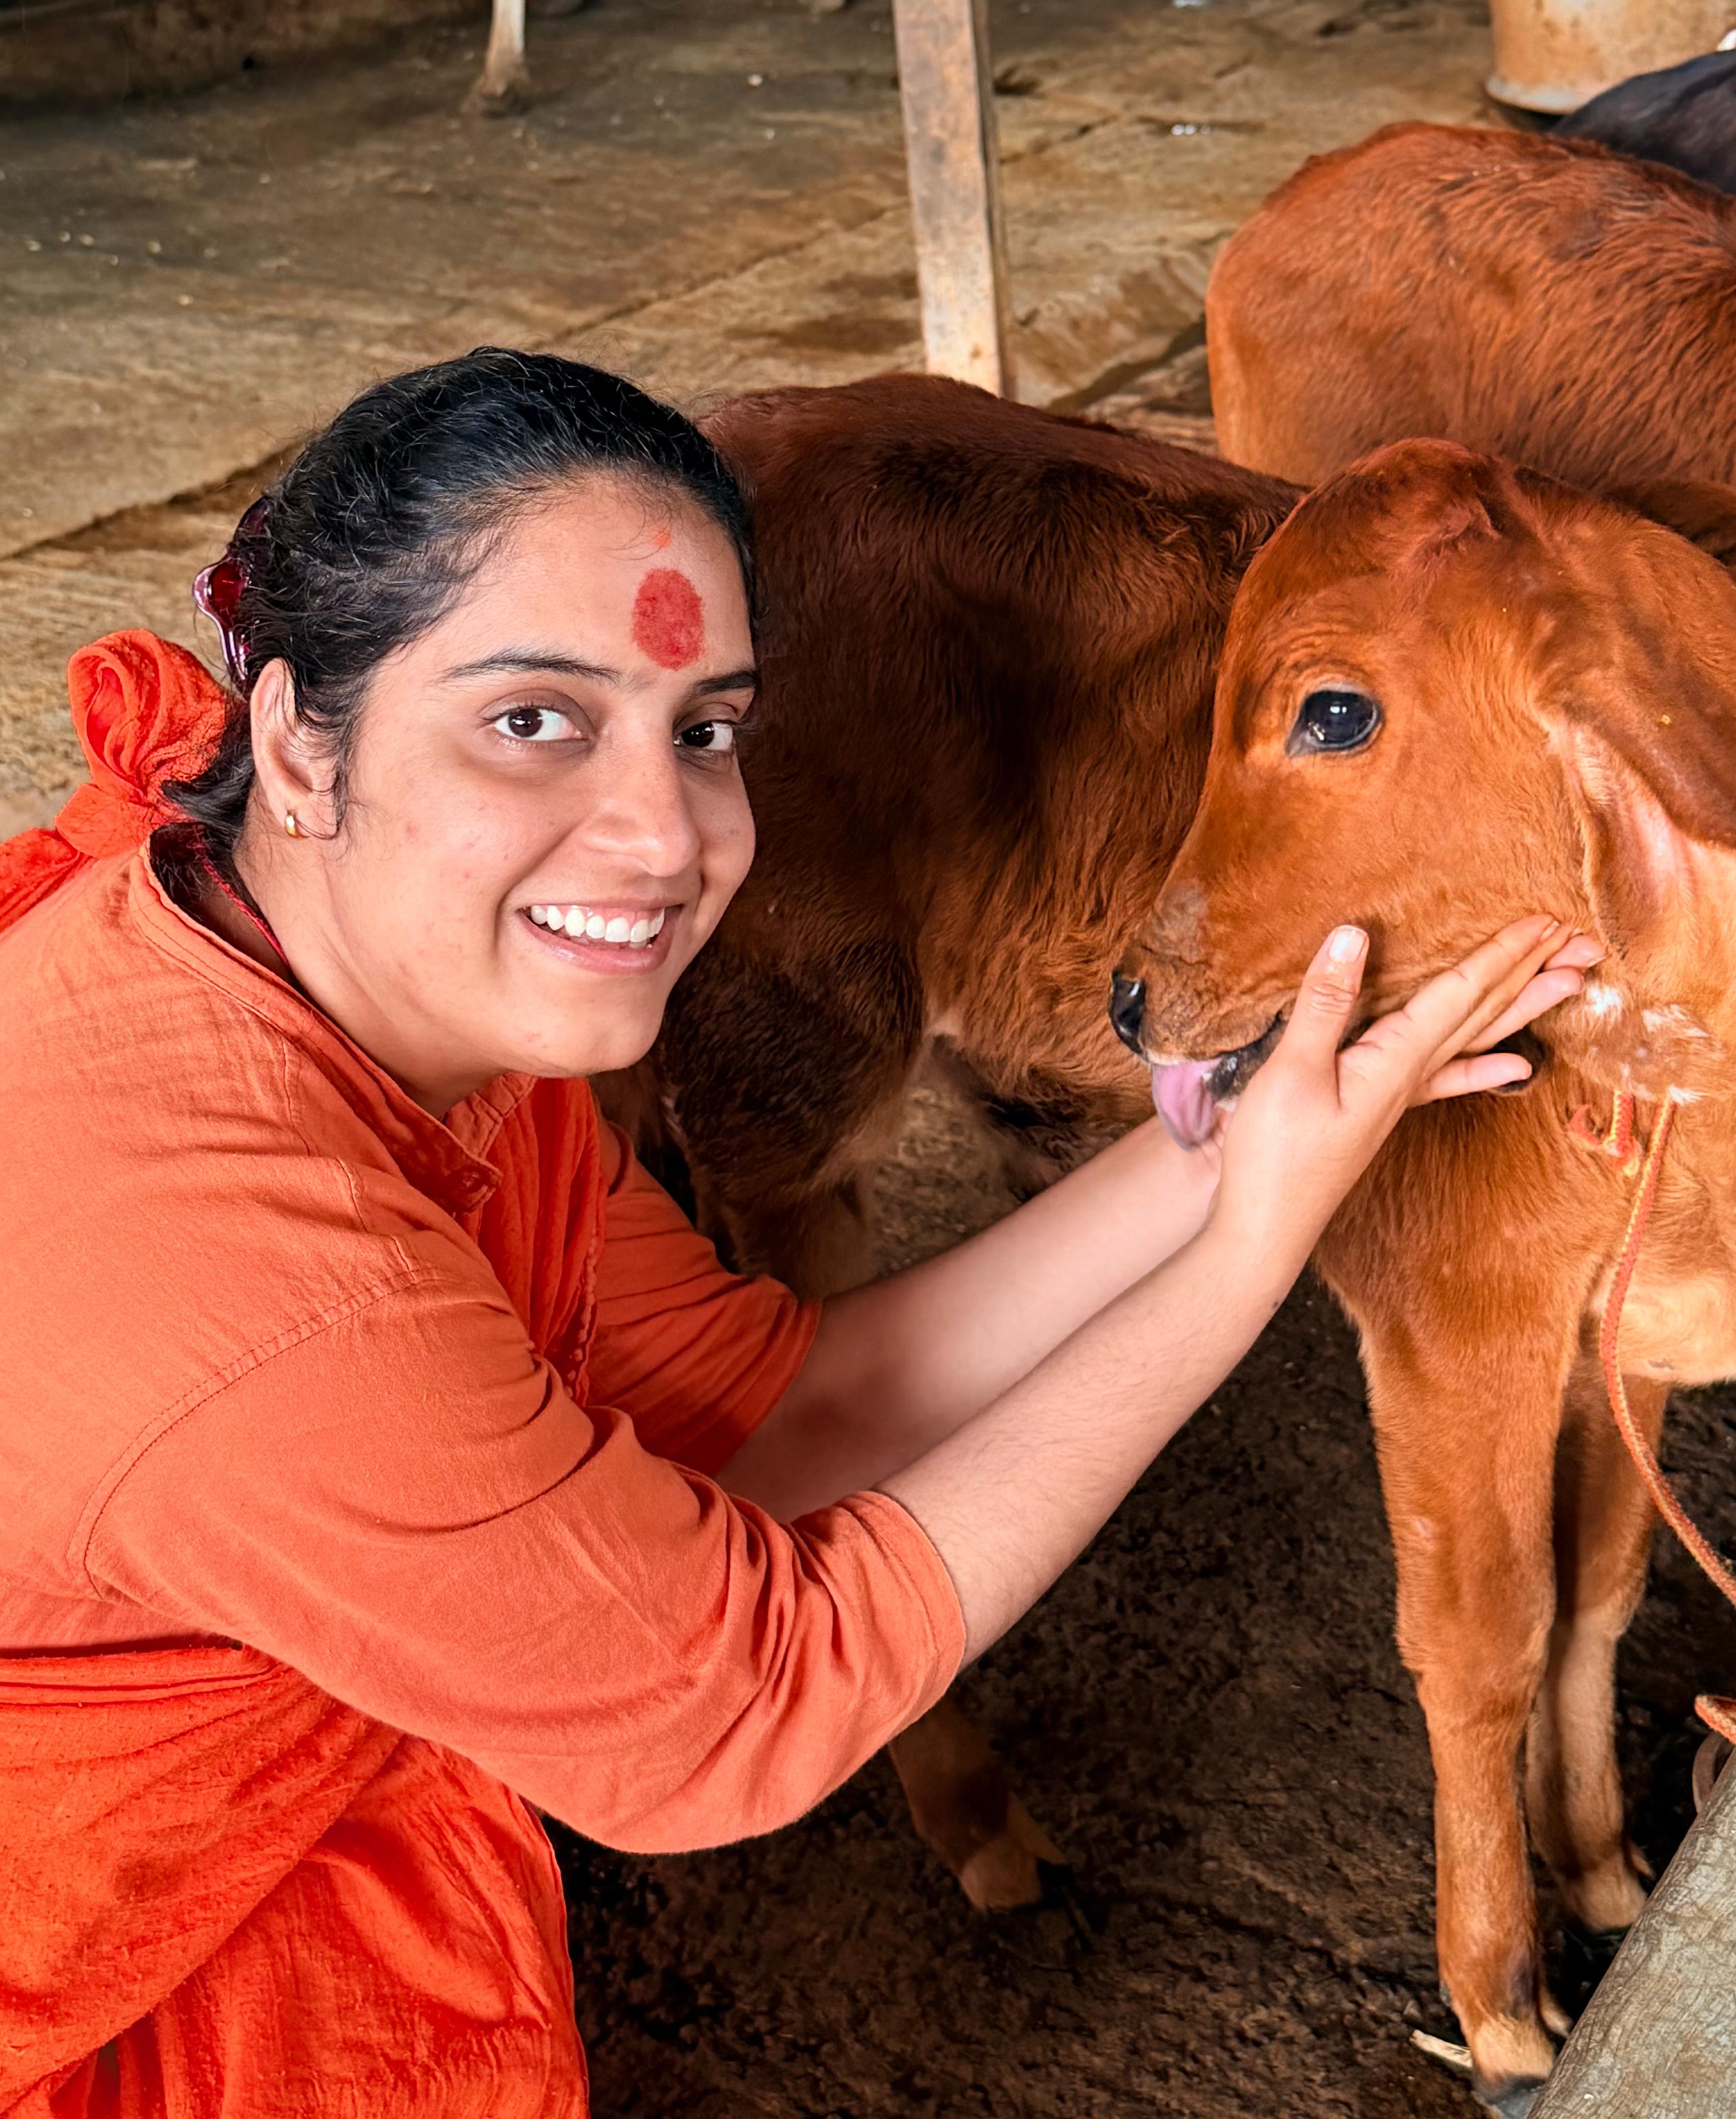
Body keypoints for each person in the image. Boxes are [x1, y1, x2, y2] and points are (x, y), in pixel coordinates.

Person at [0, 349, 1594, 2116]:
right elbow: (739, 1707)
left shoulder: (421, 1031)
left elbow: (776, 1404)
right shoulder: (254, 1262)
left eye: (707, 729)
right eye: (531, 719)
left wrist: (1225, 1139)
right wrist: (1249, 1259)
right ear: (300, 740)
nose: (666, 835)